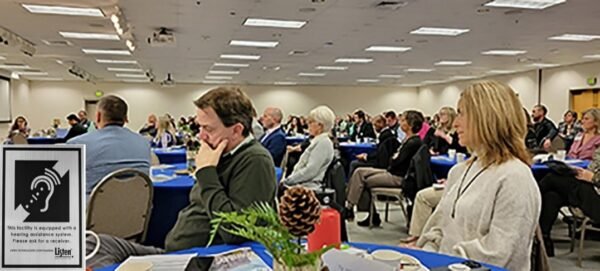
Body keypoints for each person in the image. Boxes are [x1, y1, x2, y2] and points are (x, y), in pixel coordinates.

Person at [415, 81, 540, 271]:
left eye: (462, 113)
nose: (456, 123)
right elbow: (439, 227)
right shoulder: (459, 171)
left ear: (488, 118)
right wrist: (425, 256)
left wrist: (443, 261)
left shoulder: (515, 177)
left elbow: (500, 253)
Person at [165, 87, 276, 251]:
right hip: (179, 252)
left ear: (236, 130)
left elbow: (236, 231)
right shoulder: (219, 154)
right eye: (200, 127)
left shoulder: (255, 160)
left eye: (208, 129)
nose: (201, 136)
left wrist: (206, 173)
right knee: (112, 245)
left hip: (202, 259)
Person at [345, 110, 424, 227]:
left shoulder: (413, 143)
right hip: (391, 171)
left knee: (362, 181)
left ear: (410, 124)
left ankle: (358, 210)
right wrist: (394, 158)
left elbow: (396, 161)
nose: (400, 123)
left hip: (398, 177)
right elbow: (394, 158)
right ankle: (351, 207)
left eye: (403, 120)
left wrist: (394, 158)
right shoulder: (407, 140)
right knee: (358, 171)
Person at [67, 95, 151, 197]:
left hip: (92, 210)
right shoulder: (144, 142)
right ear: (126, 118)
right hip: (137, 208)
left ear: (98, 116)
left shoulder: (76, 145)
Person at [539, 147, 600, 256]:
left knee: (551, 178)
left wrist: (594, 177)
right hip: (590, 190)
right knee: (552, 196)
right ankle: (543, 240)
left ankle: (523, 209)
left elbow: (594, 177)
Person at [280, 106, 336, 190]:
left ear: (320, 126)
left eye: (310, 122)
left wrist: (288, 180)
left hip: (308, 187)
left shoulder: (323, 143)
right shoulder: (318, 141)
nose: (307, 125)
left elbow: (310, 171)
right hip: (302, 183)